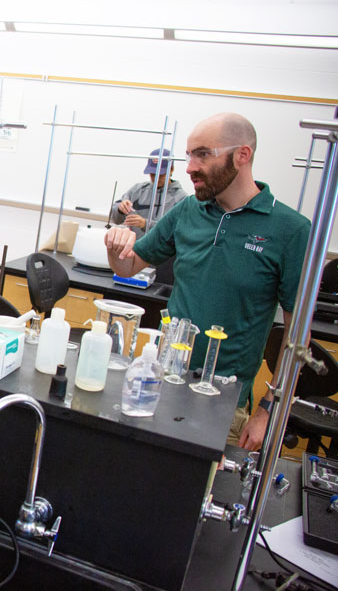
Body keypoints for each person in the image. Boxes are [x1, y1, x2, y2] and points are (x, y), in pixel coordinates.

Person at [104, 113, 310, 451]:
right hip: (164, 386)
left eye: (203, 154)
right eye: (189, 155)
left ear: (242, 155)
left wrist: (269, 410)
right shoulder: (188, 211)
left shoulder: (290, 230)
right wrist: (116, 244)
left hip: (225, 406)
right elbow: (127, 267)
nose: (189, 167)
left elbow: (297, 334)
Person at [110, 148, 187, 237]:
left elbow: (178, 231)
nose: (156, 178)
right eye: (152, 174)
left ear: (171, 170)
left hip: (162, 250)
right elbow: (115, 219)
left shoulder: (181, 199)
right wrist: (120, 210)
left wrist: (146, 224)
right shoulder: (136, 190)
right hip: (133, 249)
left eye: (160, 174)